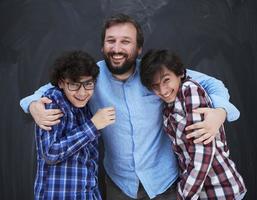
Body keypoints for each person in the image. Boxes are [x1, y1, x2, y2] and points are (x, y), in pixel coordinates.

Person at [20, 14, 240, 199]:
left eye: (125, 41)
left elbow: (213, 84)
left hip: (165, 183)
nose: (117, 48)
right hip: (118, 185)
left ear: (139, 48)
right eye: (111, 41)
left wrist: (220, 112)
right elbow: (44, 92)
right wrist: (32, 105)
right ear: (102, 45)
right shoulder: (89, 78)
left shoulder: (157, 74)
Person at [140, 49, 246, 200]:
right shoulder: (168, 108)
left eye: (166, 80)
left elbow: (202, 153)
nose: (162, 91)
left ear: (180, 73)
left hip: (220, 189)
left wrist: (184, 195)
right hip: (200, 190)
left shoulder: (189, 90)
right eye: (155, 86)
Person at [33, 50, 115, 199]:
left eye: (88, 84)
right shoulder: (53, 102)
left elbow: (88, 162)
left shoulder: (84, 108)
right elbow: (51, 153)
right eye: (74, 85)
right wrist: (93, 125)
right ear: (61, 83)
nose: (82, 92)